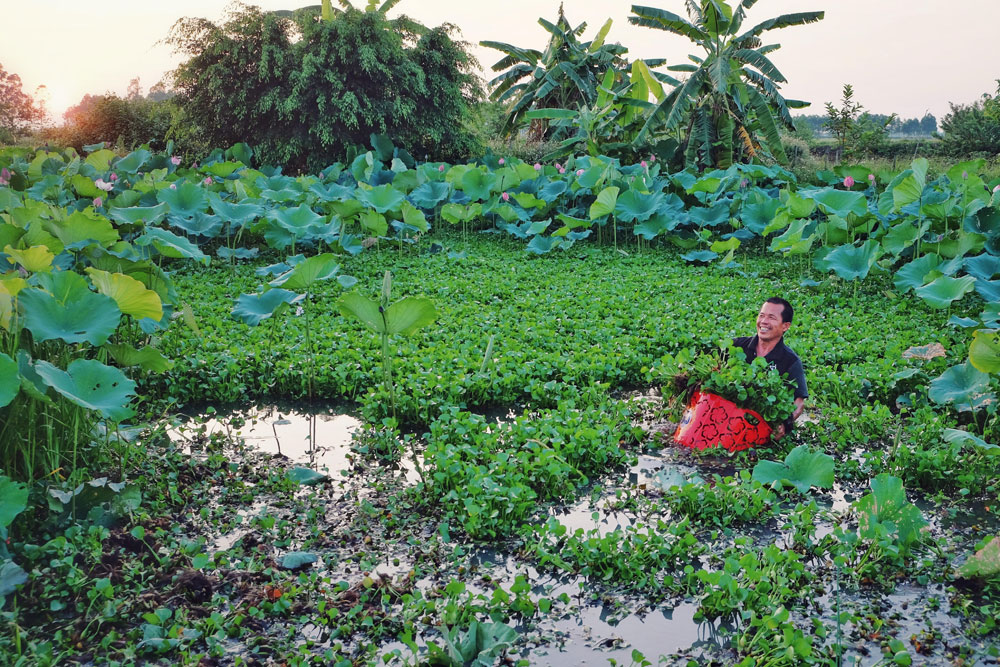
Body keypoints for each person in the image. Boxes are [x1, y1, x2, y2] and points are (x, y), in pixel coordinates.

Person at [732, 297, 807, 439]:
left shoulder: (791, 361)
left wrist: (785, 424)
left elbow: (798, 403)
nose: (764, 322)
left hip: (758, 427)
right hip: (727, 417)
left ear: (785, 326)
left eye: (771, 317)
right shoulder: (736, 346)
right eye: (761, 315)